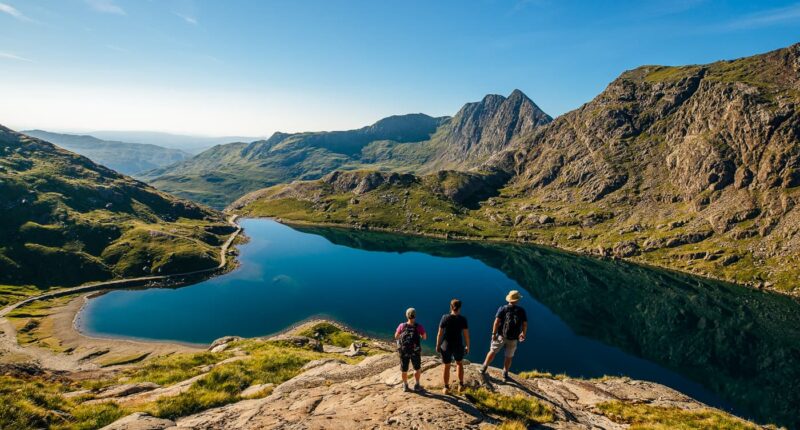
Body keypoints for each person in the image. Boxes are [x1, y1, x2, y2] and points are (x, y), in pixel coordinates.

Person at [480, 290, 528, 381]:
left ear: (509, 299)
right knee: (509, 356)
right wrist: (523, 334)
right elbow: (525, 324)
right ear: (517, 300)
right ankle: (505, 372)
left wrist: (493, 334)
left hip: (501, 336)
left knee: (492, 351)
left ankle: (484, 367)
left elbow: (496, 322)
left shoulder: (503, 308)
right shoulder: (521, 311)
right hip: (513, 338)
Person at [436, 299, 470, 394]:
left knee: (447, 366)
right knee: (459, 363)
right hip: (458, 345)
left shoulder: (445, 317)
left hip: (446, 345)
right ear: (460, 308)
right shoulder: (463, 319)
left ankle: (446, 388)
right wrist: (468, 346)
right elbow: (466, 335)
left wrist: (438, 345)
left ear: (451, 307)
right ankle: (461, 385)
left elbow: (440, 334)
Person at [395, 307, 427, 392]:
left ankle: (405, 385)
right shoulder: (419, 326)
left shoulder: (402, 325)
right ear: (415, 316)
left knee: (404, 369)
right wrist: (419, 335)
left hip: (404, 351)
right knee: (417, 368)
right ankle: (416, 385)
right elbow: (424, 337)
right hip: (415, 351)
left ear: (407, 316)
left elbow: (396, 336)